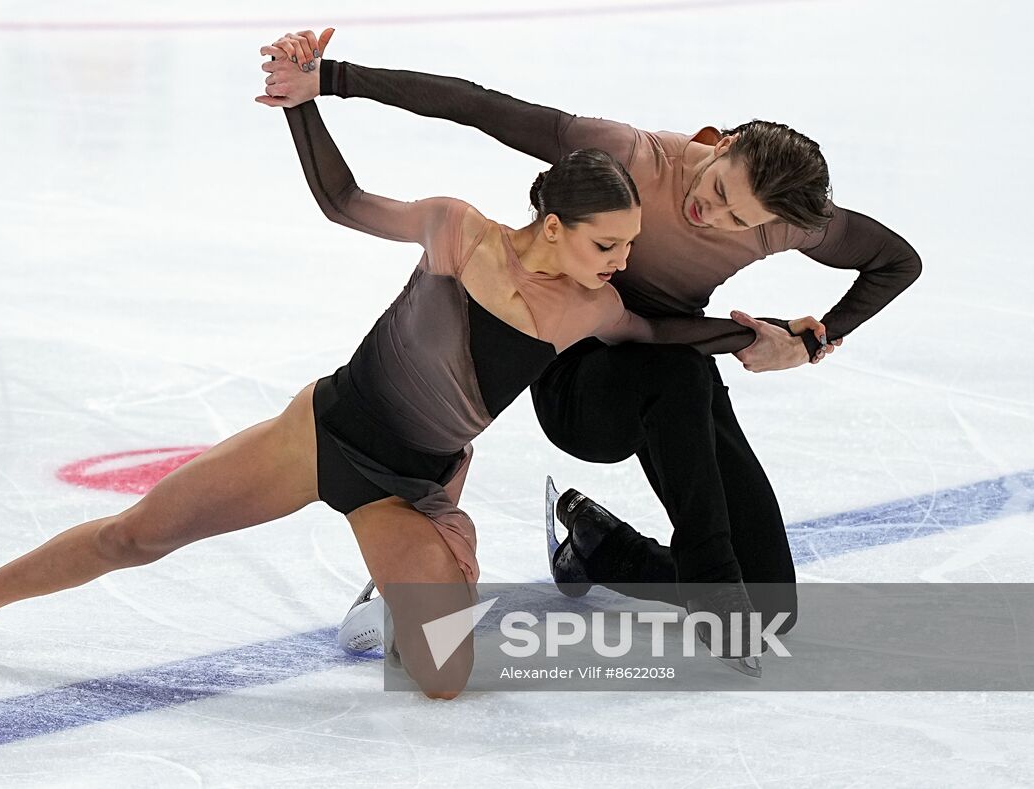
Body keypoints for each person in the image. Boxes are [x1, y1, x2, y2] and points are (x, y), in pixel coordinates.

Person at [0, 46, 787, 699]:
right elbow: (342, 201)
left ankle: (419, 565)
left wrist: (763, 335)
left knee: (445, 680)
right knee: (135, 536)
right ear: (554, 225)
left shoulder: (598, 307)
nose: (625, 261)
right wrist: (306, 105)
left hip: (408, 492)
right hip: (322, 434)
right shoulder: (456, 231)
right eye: (609, 243)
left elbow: (668, 338)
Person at [262, 30, 921, 651]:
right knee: (682, 375)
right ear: (718, 142)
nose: (712, 214)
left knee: (774, 606)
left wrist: (809, 341)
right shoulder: (629, 154)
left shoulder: (783, 221)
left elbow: (897, 261)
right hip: (578, 384)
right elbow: (479, 108)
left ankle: (607, 552)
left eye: (737, 220)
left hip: (672, 378)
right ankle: (711, 595)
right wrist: (333, 80)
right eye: (718, 190)